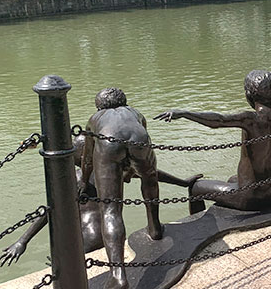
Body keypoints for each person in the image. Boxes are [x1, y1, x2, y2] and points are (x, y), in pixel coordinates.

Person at [155, 2, 271, 212]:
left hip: (250, 197)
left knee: (196, 187)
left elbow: (217, 121)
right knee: (231, 178)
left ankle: (199, 227)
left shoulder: (251, 120)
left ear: (248, 94)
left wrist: (184, 113)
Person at [0, 134, 200, 270]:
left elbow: (49, 211)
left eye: (74, 151)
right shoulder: (112, 171)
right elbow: (152, 174)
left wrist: (22, 241)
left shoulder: (75, 177)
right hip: (105, 234)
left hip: (85, 238)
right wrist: (183, 183)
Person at [81, 88, 200, 289]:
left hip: (108, 145)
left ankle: (118, 275)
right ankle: (154, 227)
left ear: (99, 106)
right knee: (149, 179)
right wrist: (128, 170)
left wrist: (84, 181)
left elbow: (87, 159)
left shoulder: (95, 118)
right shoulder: (135, 112)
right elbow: (141, 161)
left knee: (110, 210)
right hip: (139, 138)